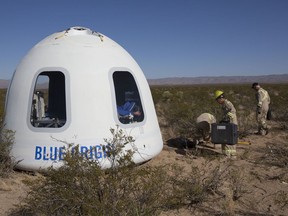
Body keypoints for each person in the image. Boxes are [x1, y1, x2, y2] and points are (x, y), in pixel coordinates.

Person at [214, 90, 238, 158]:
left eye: (217, 100)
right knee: (228, 139)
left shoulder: (227, 103)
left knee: (228, 139)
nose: (217, 101)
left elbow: (233, 111)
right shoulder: (224, 104)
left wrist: (227, 120)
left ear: (220, 98)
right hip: (228, 123)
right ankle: (228, 154)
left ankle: (230, 155)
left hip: (230, 124)